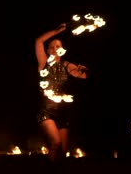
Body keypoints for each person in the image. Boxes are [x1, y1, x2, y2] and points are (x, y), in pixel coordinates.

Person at [35, 23, 88, 170]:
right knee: (55, 143)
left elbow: (81, 75)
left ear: (62, 49)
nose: (54, 49)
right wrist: (56, 31)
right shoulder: (44, 63)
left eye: (58, 46)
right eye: (51, 47)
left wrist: (82, 70)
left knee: (63, 153)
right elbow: (38, 41)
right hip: (46, 111)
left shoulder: (66, 65)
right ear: (47, 50)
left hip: (63, 112)